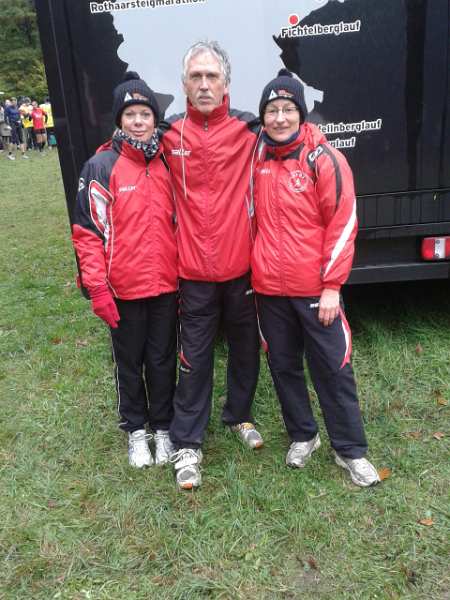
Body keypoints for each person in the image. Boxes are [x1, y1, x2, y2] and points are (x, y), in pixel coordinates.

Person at [252, 69, 379, 487]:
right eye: (272, 110)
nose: (280, 118)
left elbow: (343, 223)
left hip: (315, 289)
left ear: (301, 114)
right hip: (269, 289)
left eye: (288, 109)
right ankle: (303, 435)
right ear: (263, 116)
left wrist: (331, 287)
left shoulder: (324, 159)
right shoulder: (255, 159)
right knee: (283, 366)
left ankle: (350, 450)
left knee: (333, 369)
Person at [160, 41, 263, 490]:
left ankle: (239, 414)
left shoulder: (249, 129)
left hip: (242, 268)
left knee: (245, 349)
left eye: (211, 76)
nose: (204, 85)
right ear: (184, 84)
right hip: (193, 273)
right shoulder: (168, 134)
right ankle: (187, 443)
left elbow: (295, 133)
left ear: (226, 83)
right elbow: (123, 151)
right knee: (194, 358)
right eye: (196, 77)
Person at [72, 72, 178, 468]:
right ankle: (136, 431)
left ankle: (163, 428)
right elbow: (87, 233)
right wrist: (98, 289)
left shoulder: (167, 161)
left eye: (145, 114)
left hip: (166, 285)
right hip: (123, 289)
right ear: (119, 119)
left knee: (162, 360)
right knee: (130, 363)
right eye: (130, 114)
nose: (138, 121)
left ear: (154, 119)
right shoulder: (101, 166)